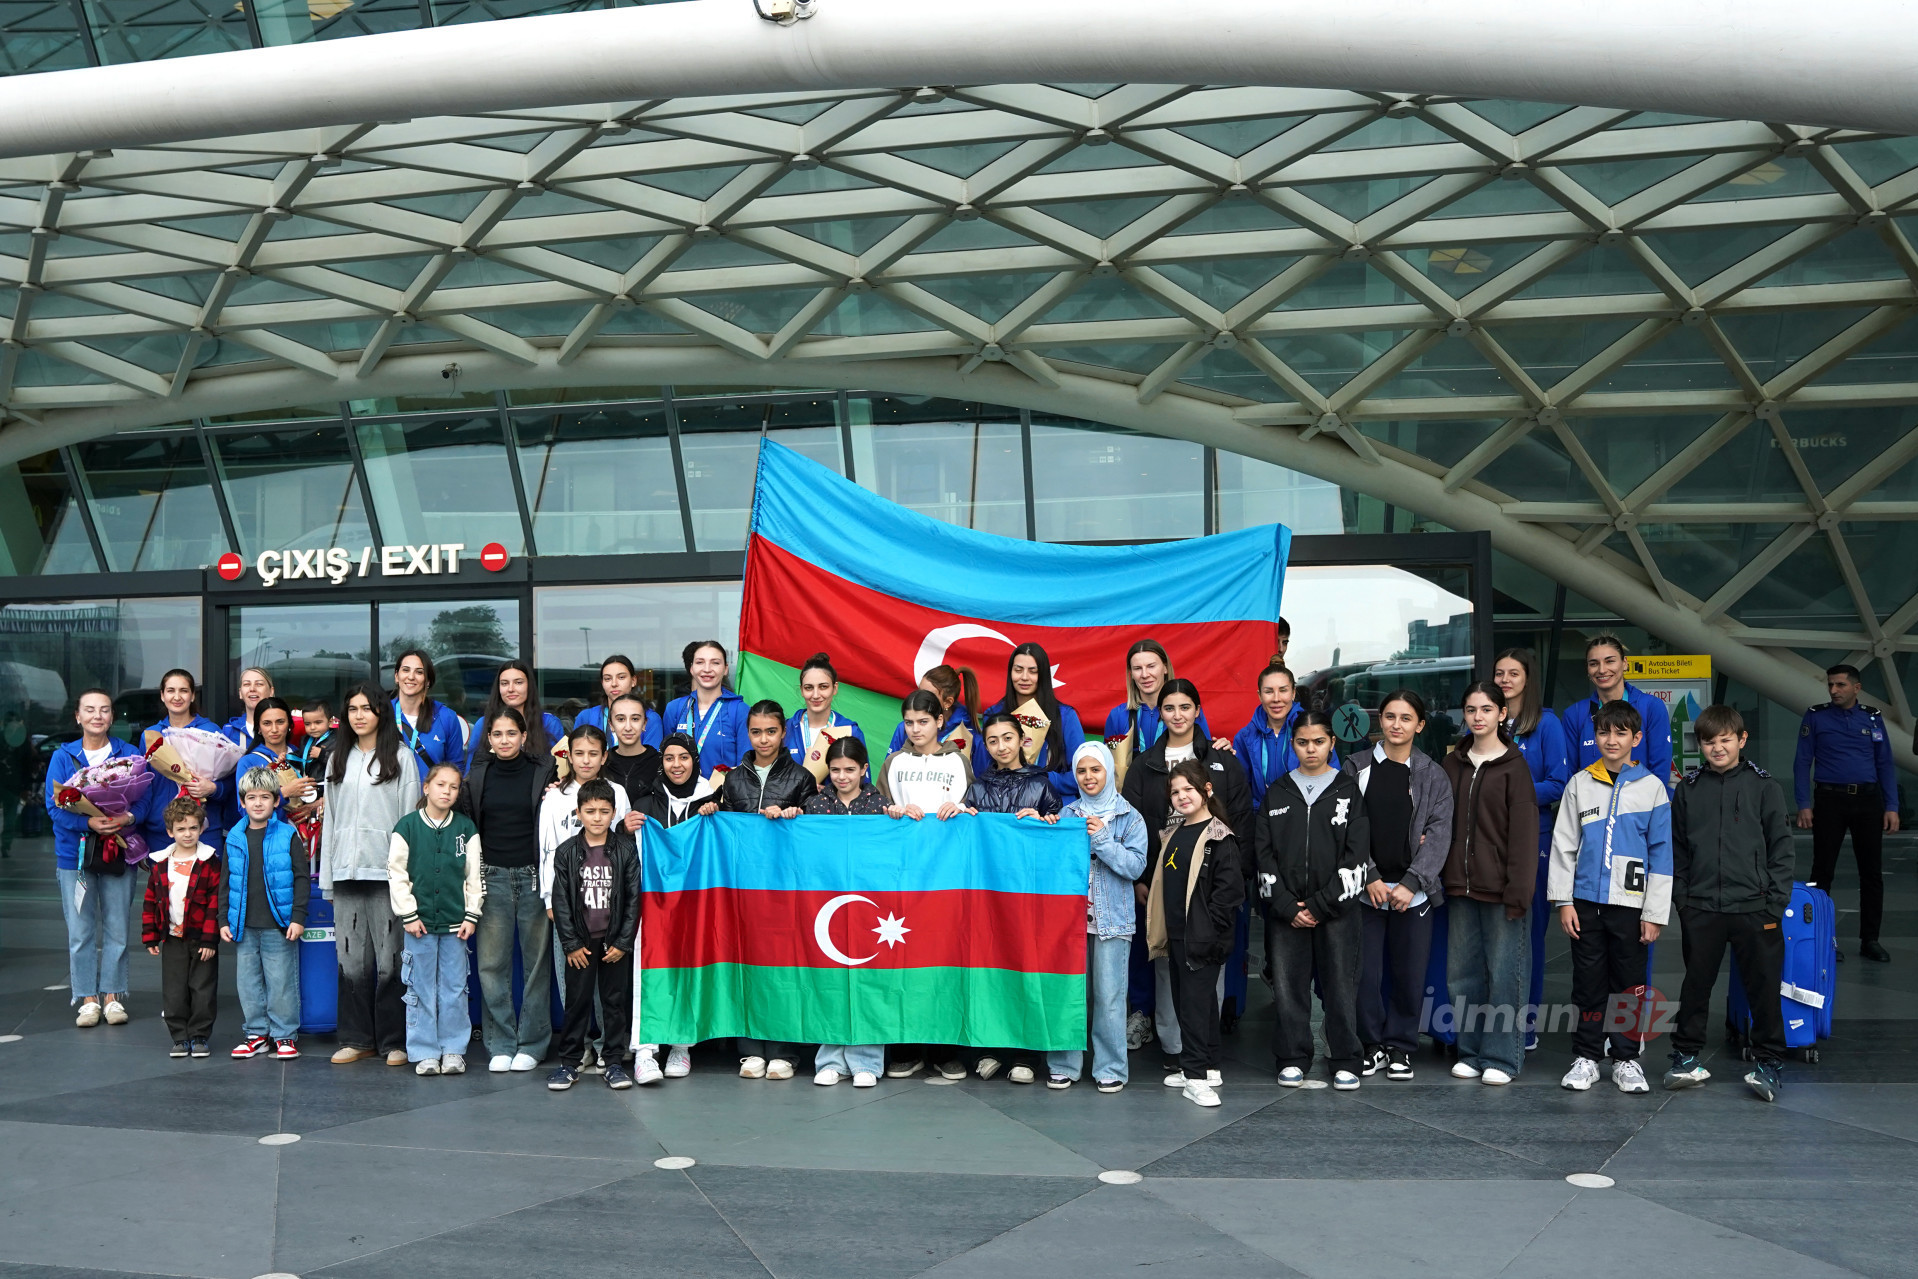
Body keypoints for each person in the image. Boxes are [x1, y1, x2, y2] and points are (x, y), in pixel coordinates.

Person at [1666, 705, 1795, 1102]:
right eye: (1709, 741)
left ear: (1742, 740)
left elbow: (1782, 848)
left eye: (1725, 739)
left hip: (1756, 908)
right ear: (1700, 745)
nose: (1717, 747)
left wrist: (1774, 903)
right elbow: (1678, 850)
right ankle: (1685, 1057)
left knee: (1763, 988)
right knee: (1696, 986)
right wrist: (1683, 901)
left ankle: (1769, 1063)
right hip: (1702, 907)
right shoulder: (1688, 789)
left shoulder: (1764, 787)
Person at [1122, 678, 1254, 1057]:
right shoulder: (1143, 766)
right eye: (1169, 708)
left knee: (1206, 965)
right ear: (1159, 714)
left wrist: (1230, 886)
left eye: (1185, 707)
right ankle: (1175, 1050)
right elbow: (1132, 827)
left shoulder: (1222, 762)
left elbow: (1241, 824)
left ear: (1198, 711)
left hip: (1210, 886)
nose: (1177, 715)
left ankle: (1203, 1053)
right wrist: (1142, 880)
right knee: (1166, 966)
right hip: (1161, 884)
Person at [1550, 699, 1672, 1094]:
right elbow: (1564, 845)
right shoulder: (1579, 784)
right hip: (1585, 903)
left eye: (1621, 733)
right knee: (1587, 982)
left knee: (1629, 983)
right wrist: (1563, 900)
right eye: (1604, 732)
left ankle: (1626, 1059)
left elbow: (1661, 855)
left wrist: (1654, 913)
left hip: (1631, 906)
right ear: (1594, 736)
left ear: (1637, 738)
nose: (1611, 739)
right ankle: (1586, 1056)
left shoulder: (1652, 788)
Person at [1254, 710, 1373, 1091]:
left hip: (1337, 911)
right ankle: (1292, 1056)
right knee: (1289, 986)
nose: (1311, 749)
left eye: (1318, 742)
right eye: (1303, 742)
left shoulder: (1346, 789)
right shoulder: (1278, 791)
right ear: (1293, 744)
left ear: (1332, 743)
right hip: (1286, 912)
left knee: (1340, 984)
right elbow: (1263, 852)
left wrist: (1322, 905)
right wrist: (1288, 906)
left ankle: (1344, 1057)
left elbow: (1356, 855)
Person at [1345, 689, 1451, 1083]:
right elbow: (1347, 830)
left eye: (1406, 718)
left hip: (1414, 894)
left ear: (1420, 725)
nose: (1396, 724)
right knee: (1365, 976)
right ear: (1380, 721)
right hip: (1364, 890)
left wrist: (1411, 882)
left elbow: (1440, 833)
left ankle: (1401, 1048)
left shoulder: (1432, 774)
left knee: (1409, 976)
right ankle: (1370, 1047)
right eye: (1390, 716)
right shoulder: (1354, 767)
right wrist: (1369, 875)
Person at [1439, 682, 1538, 1085]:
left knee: (1505, 974)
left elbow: (1524, 836)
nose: (1478, 717)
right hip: (1460, 887)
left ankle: (1502, 1057)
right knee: (1461, 974)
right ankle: (1471, 1050)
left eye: (1486, 709)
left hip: (1501, 890)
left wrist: (1519, 891)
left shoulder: (1514, 767)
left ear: (1502, 714)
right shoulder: (1452, 764)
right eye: (1470, 709)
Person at [876, 690, 976, 1080]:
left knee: (944, 957)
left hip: (946, 877)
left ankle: (945, 1050)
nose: (916, 729)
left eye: (923, 721)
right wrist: (891, 810)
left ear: (939, 721)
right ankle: (907, 1046)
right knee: (903, 958)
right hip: (901, 877)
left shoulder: (957, 762)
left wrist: (965, 810)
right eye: (909, 722)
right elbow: (875, 809)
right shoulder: (893, 763)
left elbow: (975, 812)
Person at [320, 684, 420, 1067]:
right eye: (352, 709)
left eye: (366, 708)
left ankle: (395, 1041)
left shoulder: (400, 758)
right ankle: (357, 1038)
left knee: (390, 961)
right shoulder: (337, 759)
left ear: (381, 712)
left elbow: (411, 820)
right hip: (346, 871)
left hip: (387, 874)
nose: (359, 715)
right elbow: (331, 819)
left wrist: (406, 877)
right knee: (350, 960)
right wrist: (328, 875)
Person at [961, 711, 1063, 1084]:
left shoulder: (1042, 785)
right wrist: (962, 817)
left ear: (1022, 740)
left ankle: (1026, 1053)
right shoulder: (977, 788)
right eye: (992, 740)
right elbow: (965, 841)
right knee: (989, 967)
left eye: (1007, 738)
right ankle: (990, 1049)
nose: (1001, 746)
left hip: (1027, 896)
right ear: (984, 746)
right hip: (987, 898)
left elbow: (1057, 838)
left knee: (1024, 966)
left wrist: (1048, 822)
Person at [457, 707, 557, 1073]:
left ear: (523, 736)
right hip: (492, 876)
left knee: (536, 965)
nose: (504, 741)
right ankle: (500, 1042)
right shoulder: (478, 775)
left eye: (511, 734)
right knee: (491, 964)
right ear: (489, 739)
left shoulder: (543, 771)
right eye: (497, 735)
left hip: (533, 877)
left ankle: (532, 1043)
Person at [45, 688, 150, 1028]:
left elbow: (144, 802)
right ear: (78, 716)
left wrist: (127, 819)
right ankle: (87, 998)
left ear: (112, 716)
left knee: (118, 926)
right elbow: (53, 806)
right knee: (80, 929)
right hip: (74, 856)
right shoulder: (63, 757)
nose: (97, 716)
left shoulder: (129, 754)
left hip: (118, 850)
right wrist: (87, 821)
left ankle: (113, 996)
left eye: (104, 710)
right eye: (89, 710)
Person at [721, 700, 815, 1081]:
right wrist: (714, 812)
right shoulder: (733, 778)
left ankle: (783, 1050)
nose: (763, 739)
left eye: (771, 731)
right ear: (748, 733)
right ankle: (750, 1050)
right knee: (747, 963)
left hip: (784, 888)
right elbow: (726, 831)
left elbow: (815, 832)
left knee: (782, 966)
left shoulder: (801, 778)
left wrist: (798, 815)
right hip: (744, 888)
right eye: (756, 732)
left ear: (784, 733)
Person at [1047, 741, 1147, 1092]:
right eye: (1081, 771)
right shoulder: (1065, 815)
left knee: (1109, 998)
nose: (1088, 777)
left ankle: (1111, 1068)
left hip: (1113, 923)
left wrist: (1103, 839)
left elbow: (1134, 867)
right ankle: (1063, 1065)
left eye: (1095, 769)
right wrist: (1040, 829)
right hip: (1069, 924)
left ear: (1109, 771)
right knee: (1069, 994)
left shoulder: (1130, 817)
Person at [1147, 761, 1245, 1107]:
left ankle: (1195, 1076)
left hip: (1201, 940)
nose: (1181, 796)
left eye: (1188, 789)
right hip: (1176, 936)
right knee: (1194, 1005)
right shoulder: (1174, 832)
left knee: (1193, 1007)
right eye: (1175, 791)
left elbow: (1228, 894)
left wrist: (1207, 931)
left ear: (1206, 790)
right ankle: (1210, 1066)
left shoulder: (1220, 837)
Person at [537, 725, 631, 1076]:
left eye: (594, 753)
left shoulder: (618, 793)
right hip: (569, 906)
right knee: (572, 981)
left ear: (605, 756)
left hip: (608, 903)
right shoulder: (555, 797)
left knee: (609, 987)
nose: (586, 760)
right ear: (568, 756)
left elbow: (624, 847)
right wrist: (549, 896)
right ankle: (580, 1050)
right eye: (579, 753)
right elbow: (547, 850)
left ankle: (611, 1049)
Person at [1493, 647, 1572, 1052]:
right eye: (1500, 673)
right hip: (1490, 842)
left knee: (1529, 935)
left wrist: (1513, 795)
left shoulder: (1547, 724)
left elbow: (1560, 782)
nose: (1505, 680)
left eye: (1514, 673)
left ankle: (1526, 1025)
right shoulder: (1488, 720)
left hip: (1534, 840)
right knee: (1495, 934)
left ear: (1528, 678)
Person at [1795, 663, 1899, 962]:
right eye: (1830, 685)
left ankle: (1871, 940)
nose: (1833, 690)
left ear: (1856, 687)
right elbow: (1802, 762)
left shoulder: (1872, 717)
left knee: (1871, 874)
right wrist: (1803, 804)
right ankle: (1822, 940)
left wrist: (1891, 806)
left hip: (1868, 801)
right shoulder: (1816, 716)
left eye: (1840, 685)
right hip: (1830, 800)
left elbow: (1885, 763)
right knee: (1822, 872)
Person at [389, 762, 484, 1077]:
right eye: (441, 784)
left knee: (455, 988)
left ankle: (454, 1049)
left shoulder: (466, 828)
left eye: (454, 787)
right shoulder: (407, 827)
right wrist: (409, 913)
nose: (447, 791)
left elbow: (474, 876)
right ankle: (425, 1051)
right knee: (420, 987)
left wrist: (472, 914)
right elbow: (397, 873)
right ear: (426, 787)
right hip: (420, 924)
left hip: (457, 925)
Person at [805, 737, 890, 1088]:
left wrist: (899, 816)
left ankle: (867, 1061)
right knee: (830, 982)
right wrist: (792, 816)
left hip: (869, 905)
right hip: (826, 903)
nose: (842, 776)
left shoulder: (880, 804)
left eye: (850, 770)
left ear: (864, 770)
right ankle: (830, 1060)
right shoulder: (814, 805)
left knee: (867, 982)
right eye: (836, 770)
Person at [546, 778, 640, 1092]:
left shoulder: (626, 850)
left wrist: (623, 943)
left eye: (603, 811)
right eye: (590, 811)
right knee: (577, 1002)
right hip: (581, 945)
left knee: (614, 1003)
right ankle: (569, 1063)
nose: (597, 817)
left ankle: (613, 1062)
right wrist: (571, 944)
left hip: (613, 942)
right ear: (579, 813)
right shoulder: (566, 852)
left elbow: (633, 899)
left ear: (614, 813)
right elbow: (560, 902)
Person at [632, 732, 708, 1082]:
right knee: (648, 970)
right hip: (653, 906)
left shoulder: (711, 797)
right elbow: (625, 849)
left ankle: (681, 1047)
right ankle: (646, 1050)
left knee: (689, 968)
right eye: (669, 758)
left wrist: (716, 815)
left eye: (684, 757)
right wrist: (622, 825)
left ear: (694, 759)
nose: (677, 765)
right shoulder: (645, 803)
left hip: (695, 906)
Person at [223, 766, 310, 1060]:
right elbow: (226, 881)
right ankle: (256, 1034)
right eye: (251, 797)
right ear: (242, 802)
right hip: (244, 925)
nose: (258, 803)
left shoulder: (288, 835)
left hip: (279, 924)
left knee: (281, 981)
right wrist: (224, 919)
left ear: (276, 801)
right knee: (248, 983)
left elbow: (301, 877)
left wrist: (298, 917)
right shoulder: (234, 837)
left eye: (264, 797)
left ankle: (285, 1035)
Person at [142, 797, 221, 1059]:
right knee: (174, 990)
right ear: (170, 831)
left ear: (201, 828)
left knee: (203, 989)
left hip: (201, 939)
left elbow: (214, 902)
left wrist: (210, 940)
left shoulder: (209, 861)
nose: (187, 834)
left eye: (193, 828)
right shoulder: (161, 864)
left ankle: (199, 1036)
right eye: (181, 829)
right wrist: (151, 936)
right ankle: (179, 1037)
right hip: (172, 939)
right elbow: (151, 901)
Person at [1560, 634, 1673, 791]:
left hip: (1639, 808)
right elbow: (1568, 776)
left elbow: (1660, 773)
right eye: (1594, 663)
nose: (1602, 670)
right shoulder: (1575, 714)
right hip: (1592, 809)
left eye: (1610, 661)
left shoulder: (1651, 707)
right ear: (1587, 669)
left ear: (1624, 663)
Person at [977, 642, 1086, 800]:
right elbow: (983, 771)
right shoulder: (994, 714)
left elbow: (1081, 773)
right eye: (1018, 670)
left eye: (1033, 671)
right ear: (1010, 673)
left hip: (1053, 808)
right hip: (1004, 804)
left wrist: (1045, 779)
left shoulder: (1065, 716)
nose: (1024, 677)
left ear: (1043, 675)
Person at [143, 668, 229, 854]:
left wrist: (213, 788)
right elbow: (145, 788)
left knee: (207, 883)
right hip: (161, 831)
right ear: (162, 696)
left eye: (183, 690)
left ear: (192, 696)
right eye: (171, 690)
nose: (177, 696)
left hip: (205, 829)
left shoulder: (211, 731)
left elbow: (230, 780)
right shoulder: (151, 735)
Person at [1102, 641, 1215, 762]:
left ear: (1165, 668)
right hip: (1133, 780)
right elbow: (1107, 767)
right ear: (1131, 674)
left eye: (1151, 666)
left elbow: (1207, 759)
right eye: (1137, 668)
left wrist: (1221, 749)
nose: (1145, 675)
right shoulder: (1118, 716)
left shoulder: (1186, 712)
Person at [663, 640, 749, 779]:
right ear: (691, 668)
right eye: (700, 662)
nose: (707, 669)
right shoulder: (675, 709)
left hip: (724, 797)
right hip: (683, 797)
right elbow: (666, 757)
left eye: (715, 662)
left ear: (725, 669)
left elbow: (745, 766)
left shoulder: (740, 710)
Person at [469, 660, 564, 766]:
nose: (510, 689)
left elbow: (560, 771)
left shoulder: (548, 723)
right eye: (504, 683)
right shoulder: (483, 724)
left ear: (529, 686)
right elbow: (471, 771)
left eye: (518, 682)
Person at [391, 649, 470, 773]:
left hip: (428, 793)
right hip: (390, 792)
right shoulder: (382, 714)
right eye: (406, 670)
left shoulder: (446, 717)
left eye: (419, 672)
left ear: (427, 681)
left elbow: (456, 769)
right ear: (396, 676)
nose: (411, 676)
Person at [786, 652, 867, 770]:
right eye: (809, 688)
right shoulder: (786, 729)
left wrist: (828, 789)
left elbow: (863, 783)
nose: (815, 695)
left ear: (835, 688)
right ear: (802, 690)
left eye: (823, 687)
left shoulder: (850, 731)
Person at [238, 697, 317, 817]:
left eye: (280, 722)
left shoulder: (303, 755)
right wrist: (284, 792)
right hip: (270, 834)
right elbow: (244, 811)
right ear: (259, 728)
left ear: (290, 724)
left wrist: (317, 804)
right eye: (267, 723)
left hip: (306, 832)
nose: (274, 729)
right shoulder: (248, 762)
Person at [571, 654, 663, 750]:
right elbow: (577, 757)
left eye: (621, 677)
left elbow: (651, 761)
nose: (614, 684)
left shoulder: (650, 719)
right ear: (602, 683)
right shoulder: (586, 717)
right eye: (608, 679)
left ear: (633, 680)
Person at [887, 663, 981, 754]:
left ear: (947, 702)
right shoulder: (905, 729)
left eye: (929, 696)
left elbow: (980, 770)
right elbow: (890, 768)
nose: (921, 699)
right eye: (920, 692)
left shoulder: (971, 735)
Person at [601, 693, 661, 815]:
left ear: (644, 723)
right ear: (611, 725)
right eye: (620, 719)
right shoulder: (602, 763)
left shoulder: (660, 763)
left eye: (635, 719)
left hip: (648, 832)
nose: (628, 727)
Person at [222, 666, 275, 749]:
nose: (252, 689)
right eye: (247, 684)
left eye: (259, 684)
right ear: (240, 693)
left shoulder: (283, 729)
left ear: (271, 691)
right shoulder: (229, 732)